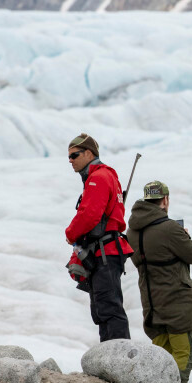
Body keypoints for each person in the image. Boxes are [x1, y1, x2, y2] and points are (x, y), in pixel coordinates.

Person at [127, 180, 192, 383]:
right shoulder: (170, 228)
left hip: (152, 307)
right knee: (183, 357)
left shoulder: (132, 231)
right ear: (165, 200)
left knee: (161, 358)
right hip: (178, 306)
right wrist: (185, 236)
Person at [65, 133, 133, 342]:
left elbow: (90, 214)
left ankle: (118, 361)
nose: (71, 160)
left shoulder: (98, 178)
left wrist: (70, 233)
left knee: (108, 307)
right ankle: (111, 359)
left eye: (74, 155)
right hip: (107, 251)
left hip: (104, 253)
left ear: (88, 153)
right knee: (105, 307)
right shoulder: (105, 176)